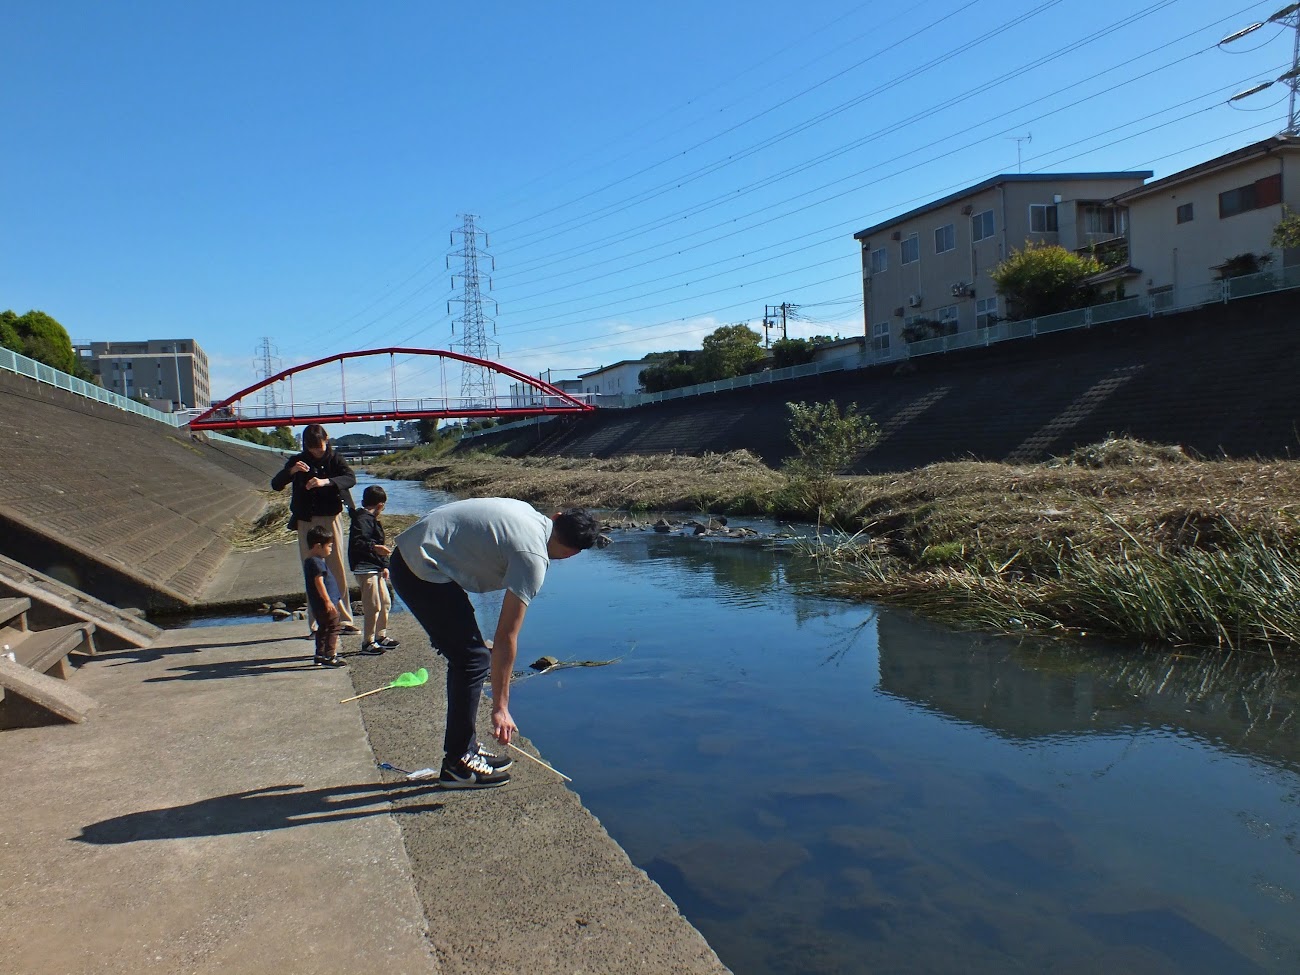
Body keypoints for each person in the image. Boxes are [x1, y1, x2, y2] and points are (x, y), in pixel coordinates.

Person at [390, 498, 606, 788]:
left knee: (470, 654)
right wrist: (501, 708)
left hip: (416, 553)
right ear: (572, 554)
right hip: (420, 568)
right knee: (472, 659)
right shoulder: (532, 558)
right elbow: (506, 637)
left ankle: (466, 748)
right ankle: (457, 764)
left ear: (555, 517)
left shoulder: (528, 513)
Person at [271, 424, 359, 635]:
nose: (317, 452)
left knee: (336, 568)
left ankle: (344, 620)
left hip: (331, 518)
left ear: (326, 440)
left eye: (319, 447)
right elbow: (276, 484)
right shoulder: (299, 460)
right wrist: (291, 472)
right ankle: (317, 624)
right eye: (312, 449)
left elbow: (350, 479)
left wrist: (325, 482)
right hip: (306, 521)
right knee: (311, 569)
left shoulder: (335, 458)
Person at [348, 485, 399, 656]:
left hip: (376, 567)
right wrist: (375, 548)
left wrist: (384, 565)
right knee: (373, 605)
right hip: (364, 569)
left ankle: (381, 635)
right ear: (380, 505)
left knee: (385, 602)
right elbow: (358, 542)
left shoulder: (369, 519)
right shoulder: (362, 519)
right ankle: (367, 641)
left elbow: (378, 544)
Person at [302, 525, 346, 667]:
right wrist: (327, 601)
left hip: (318, 604)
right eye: (329, 546)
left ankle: (319, 654)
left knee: (323, 628)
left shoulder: (310, 561)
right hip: (324, 603)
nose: (331, 549)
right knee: (334, 626)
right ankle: (330, 655)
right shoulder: (315, 562)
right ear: (318, 546)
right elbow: (319, 581)